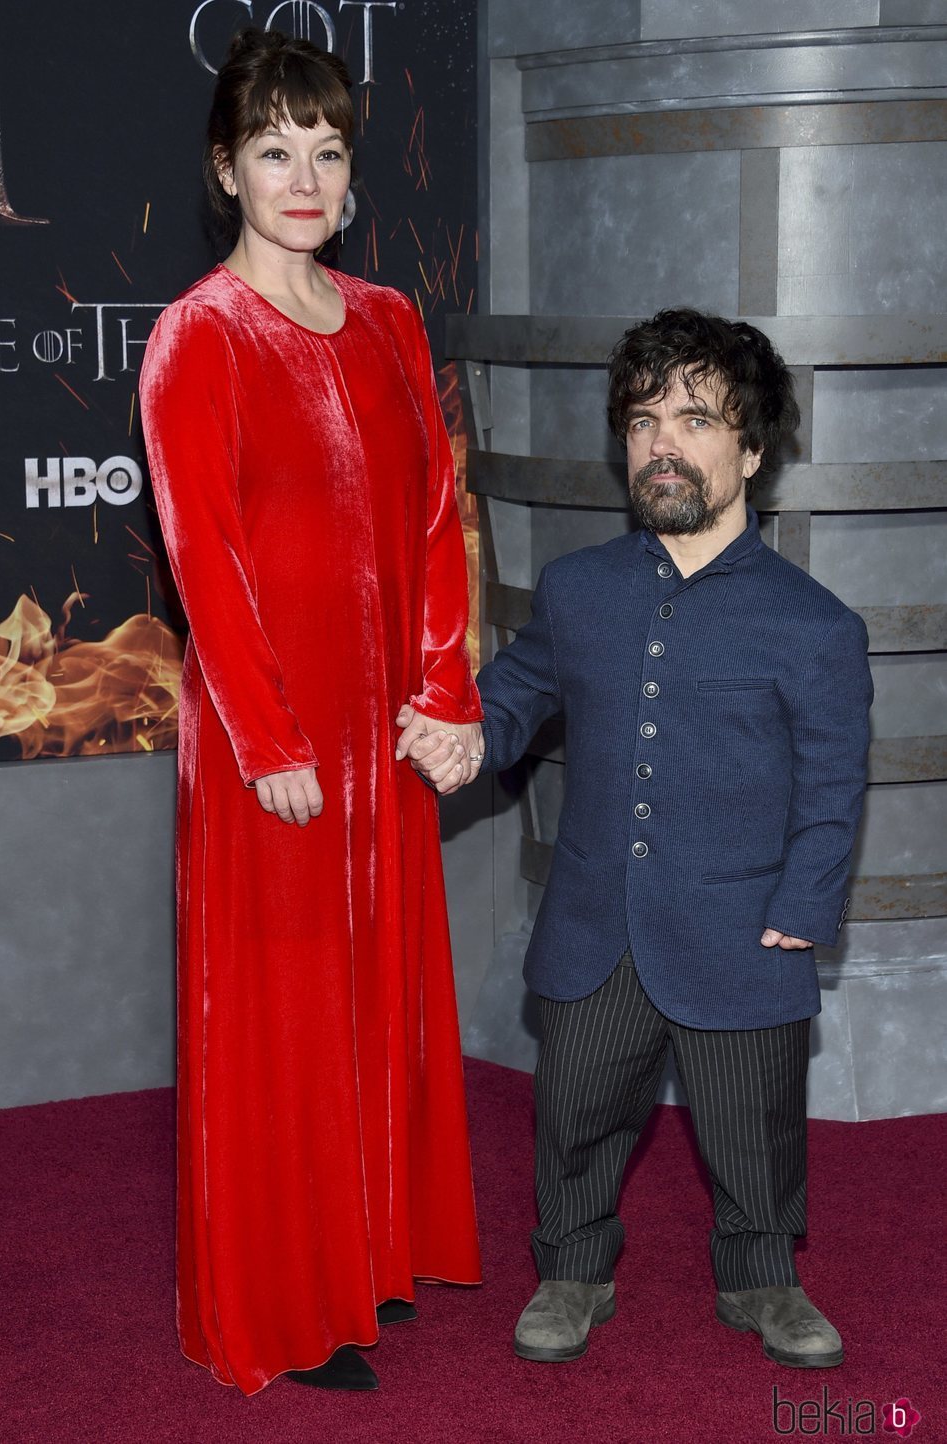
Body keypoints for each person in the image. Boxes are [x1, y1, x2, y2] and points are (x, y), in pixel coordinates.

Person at [403, 309, 873, 1370]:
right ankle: (572, 1266)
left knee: (753, 1127)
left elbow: (832, 784)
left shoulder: (813, 625)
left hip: (743, 930)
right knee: (574, 1109)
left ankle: (760, 1278)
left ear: (750, 451)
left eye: (695, 418)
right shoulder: (578, 590)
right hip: (594, 921)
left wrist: (802, 909)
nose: (661, 441)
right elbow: (513, 700)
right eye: (642, 419)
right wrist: (464, 741)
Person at [139, 28, 484, 1396]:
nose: (305, 176)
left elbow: (438, 519)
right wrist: (267, 740)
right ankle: (294, 1300)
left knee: (375, 996)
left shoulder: (395, 320)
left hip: (383, 728)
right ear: (228, 169)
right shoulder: (195, 336)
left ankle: (370, 1257)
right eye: (275, 150)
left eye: (328, 152)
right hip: (264, 741)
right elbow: (201, 558)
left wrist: (443, 693)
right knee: (279, 1014)